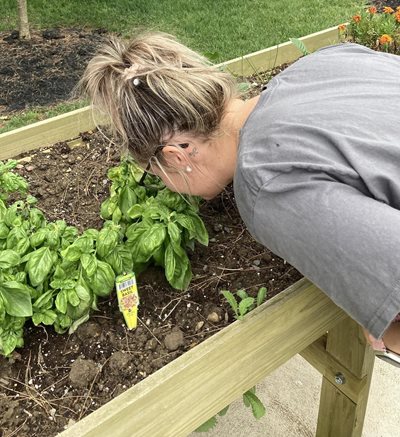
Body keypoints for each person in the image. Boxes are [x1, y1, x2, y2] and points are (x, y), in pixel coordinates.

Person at [78, 31, 400, 367]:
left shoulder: (265, 186)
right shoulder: (324, 60)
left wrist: (387, 335)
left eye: (155, 176)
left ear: (175, 157)